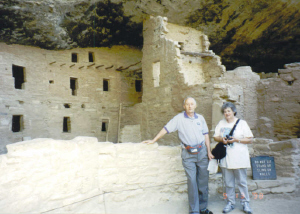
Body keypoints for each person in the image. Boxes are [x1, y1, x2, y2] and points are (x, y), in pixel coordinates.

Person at [143, 97, 214, 214]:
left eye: (192, 104)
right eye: (187, 104)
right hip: (188, 154)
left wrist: (209, 151)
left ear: (195, 106)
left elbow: (206, 135)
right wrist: (154, 139)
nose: (190, 106)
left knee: (203, 181)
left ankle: (203, 208)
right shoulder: (179, 118)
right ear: (184, 106)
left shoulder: (200, 118)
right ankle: (194, 210)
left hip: (202, 153)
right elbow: (166, 129)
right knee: (192, 181)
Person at [213, 102, 253, 214]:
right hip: (226, 158)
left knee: (242, 182)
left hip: (239, 157)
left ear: (234, 111)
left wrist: (236, 140)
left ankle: (245, 203)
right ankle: (230, 202)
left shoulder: (242, 123)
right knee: (228, 183)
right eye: (225, 112)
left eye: (229, 111)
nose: (227, 113)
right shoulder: (221, 123)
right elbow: (216, 136)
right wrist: (222, 139)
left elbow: (250, 139)